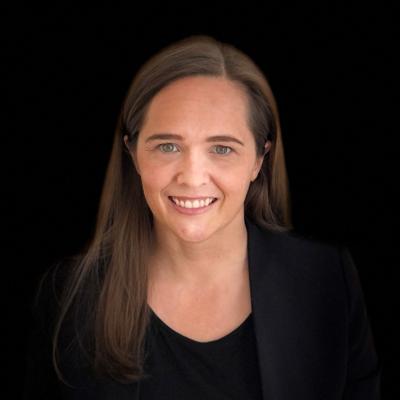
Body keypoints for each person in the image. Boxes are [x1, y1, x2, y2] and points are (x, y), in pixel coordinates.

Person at [23, 34, 381, 399]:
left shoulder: (326, 282)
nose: (192, 177)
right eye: (168, 146)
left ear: (259, 159)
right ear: (133, 153)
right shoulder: (69, 296)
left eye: (222, 149)